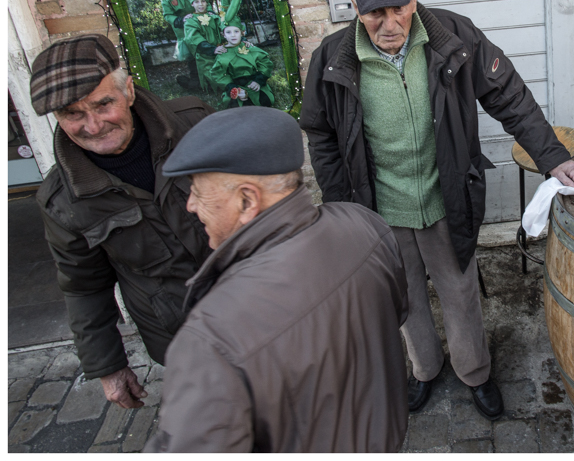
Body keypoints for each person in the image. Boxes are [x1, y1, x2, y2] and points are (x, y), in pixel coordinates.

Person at [299, 0, 574, 420]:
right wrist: (341, 208)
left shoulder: (454, 35)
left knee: (459, 291)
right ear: (355, 8)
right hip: (380, 206)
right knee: (403, 295)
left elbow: (509, 96)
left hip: (444, 196)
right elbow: (321, 134)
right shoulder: (333, 57)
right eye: (375, 13)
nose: (390, 24)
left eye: (399, 8)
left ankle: (475, 372)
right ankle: (424, 369)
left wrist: (552, 156)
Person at [144, 107, 408, 452]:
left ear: (246, 200)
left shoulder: (211, 338)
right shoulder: (364, 224)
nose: (191, 205)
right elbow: (396, 313)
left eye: (196, 190)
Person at [30, 34, 214, 409]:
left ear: (128, 91)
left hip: (259, 303)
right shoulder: (62, 199)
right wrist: (107, 366)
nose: (93, 126)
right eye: (73, 114)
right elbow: (83, 286)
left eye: (103, 104)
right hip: (180, 333)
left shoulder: (195, 122)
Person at [209, 0, 275, 108]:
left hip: (253, 82)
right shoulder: (223, 52)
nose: (233, 35)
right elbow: (218, 74)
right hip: (235, 85)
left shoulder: (249, 48)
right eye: (228, 32)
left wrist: (258, 81)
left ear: (242, 33)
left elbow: (265, 64)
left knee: (264, 101)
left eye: (236, 32)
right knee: (232, 106)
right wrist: (233, 88)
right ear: (223, 35)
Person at [152, 0, 198, 90]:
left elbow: (202, 1)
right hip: (184, 31)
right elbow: (168, 15)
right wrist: (179, 20)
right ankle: (195, 81)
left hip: (200, 25)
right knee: (193, 58)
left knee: (207, 51)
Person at [182, 0, 224, 92]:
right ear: (192, 4)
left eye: (203, 2)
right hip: (205, 57)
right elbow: (193, 38)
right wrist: (212, 49)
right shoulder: (190, 20)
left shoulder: (213, 17)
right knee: (211, 85)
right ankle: (188, 82)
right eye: (197, 2)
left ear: (207, 3)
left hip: (220, 53)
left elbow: (223, 28)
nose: (200, 4)